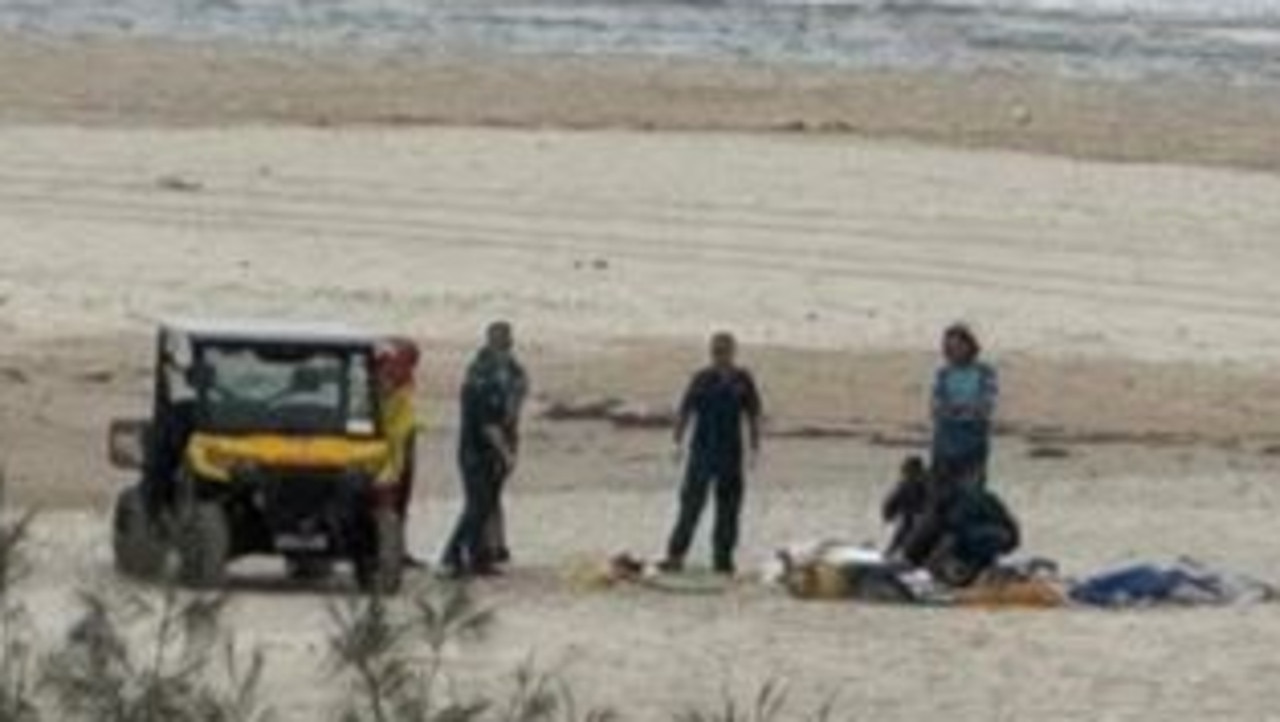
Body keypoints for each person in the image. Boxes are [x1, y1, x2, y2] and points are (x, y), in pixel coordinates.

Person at [660, 332, 763, 576]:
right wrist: (677, 443)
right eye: (716, 352)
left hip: (730, 454)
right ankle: (675, 556)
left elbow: (753, 415)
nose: (720, 357)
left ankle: (723, 561)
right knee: (691, 506)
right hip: (702, 453)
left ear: (732, 352)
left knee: (728, 510)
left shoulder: (743, 380)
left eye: (724, 351)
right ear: (711, 353)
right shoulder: (702, 379)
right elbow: (685, 412)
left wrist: (754, 448)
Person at [441, 322, 527, 578]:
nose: (505, 346)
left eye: (507, 342)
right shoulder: (481, 374)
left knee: (487, 502)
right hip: (477, 449)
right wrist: (507, 452)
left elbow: (516, 401)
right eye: (501, 342)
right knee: (476, 505)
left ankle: (479, 556)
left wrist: (510, 445)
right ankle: (453, 554)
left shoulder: (511, 369)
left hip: (498, 445)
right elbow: (488, 423)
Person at [931, 323, 998, 488]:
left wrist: (959, 409)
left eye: (959, 346)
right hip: (946, 438)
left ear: (969, 346)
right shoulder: (943, 373)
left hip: (973, 438)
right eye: (950, 347)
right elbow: (936, 406)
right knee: (940, 489)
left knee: (972, 491)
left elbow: (986, 406)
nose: (955, 351)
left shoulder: (984, 372)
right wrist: (958, 409)